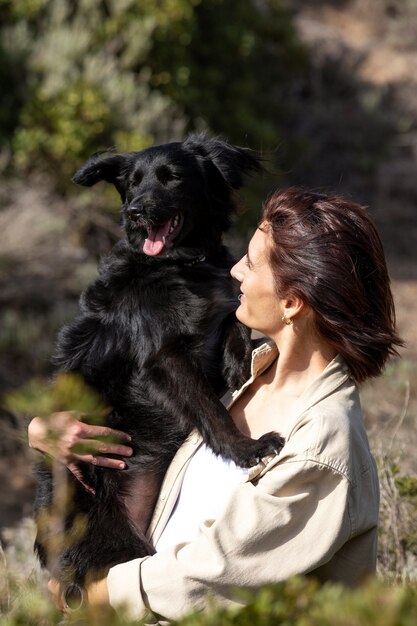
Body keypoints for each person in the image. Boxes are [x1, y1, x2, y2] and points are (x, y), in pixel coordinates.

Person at [28, 187, 402, 623]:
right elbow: (127, 404)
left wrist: (86, 596)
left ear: (291, 302)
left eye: (251, 263)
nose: (235, 271)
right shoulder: (243, 375)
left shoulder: (321, 449)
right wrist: (45, 430)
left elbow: (212, 576)